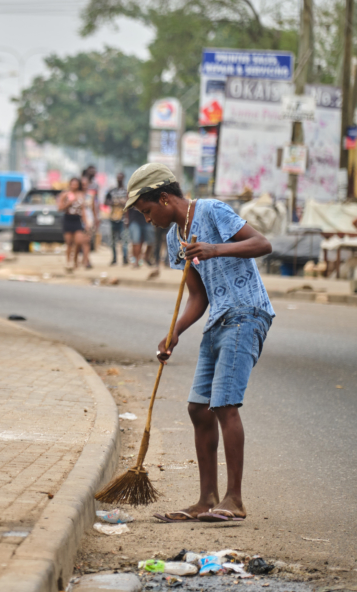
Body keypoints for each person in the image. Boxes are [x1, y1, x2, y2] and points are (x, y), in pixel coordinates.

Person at [125, 163, 273, 523]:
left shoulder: (211, 210)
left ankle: (233, 499)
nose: (148, 220)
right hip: (218, 318)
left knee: (224, 406)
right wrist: (174, 331)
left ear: (164, 197)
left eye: (147, 211)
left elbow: (263, 244)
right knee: (197, 409)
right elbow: (198, 296)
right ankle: (206, 499)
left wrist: (215, 249)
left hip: (246, 313)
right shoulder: (176, 238)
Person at [58, 176, 90, 270]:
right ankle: (68, 262)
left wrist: (86, 223)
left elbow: (83, 210)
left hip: (77, 219)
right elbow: (60, 208)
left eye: (76, 184)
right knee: (69, 242)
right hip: (68, 218)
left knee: (79, 241)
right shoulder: (65, 194)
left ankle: (75, 260)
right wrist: (68, 203)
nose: (74, 186)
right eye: (72, 184)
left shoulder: (81, 195)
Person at [104, 172, 129, 266]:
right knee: (113, 240)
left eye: (121, 178)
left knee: (124, 239)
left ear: (123, 178)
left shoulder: (126, 191)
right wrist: (113, 202)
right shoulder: (112, 191)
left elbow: (130, 204)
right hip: (113, 217)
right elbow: (105, 201)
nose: (119, 179)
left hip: (123, 218)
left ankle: (125, 258)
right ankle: (114, 258)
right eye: (118, 178)